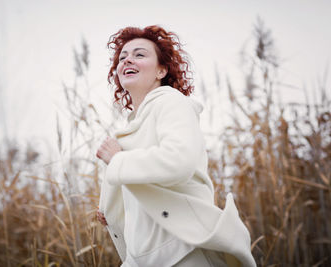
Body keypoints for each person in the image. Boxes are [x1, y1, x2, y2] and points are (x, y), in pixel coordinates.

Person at [96, 25, 256, 267]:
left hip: (181, 253)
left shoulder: (171, 102)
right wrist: (112, 209)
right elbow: (145, 189)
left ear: (161, 70)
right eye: (122, 57)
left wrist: (117, 161)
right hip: (142, 258)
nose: (127, 59)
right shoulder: (133, 125)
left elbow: (178, 161)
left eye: (139, 54)